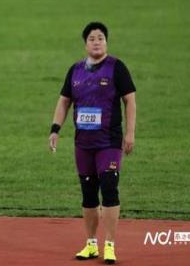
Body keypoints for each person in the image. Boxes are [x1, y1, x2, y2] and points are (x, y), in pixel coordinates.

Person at [48, 21, 136, 264]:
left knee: (109, 188)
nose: (96, 42)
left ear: (106, 42)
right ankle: (91, 244)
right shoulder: (75, 70)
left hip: (108, 142)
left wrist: (130, 133)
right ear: (85, 44)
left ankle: (110, 245)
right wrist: (55, 129)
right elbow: (64, 101)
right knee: (88, 193)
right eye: (92, 39)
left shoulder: (117, 67)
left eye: (101, 38)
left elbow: (130, 100)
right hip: (83, 143)